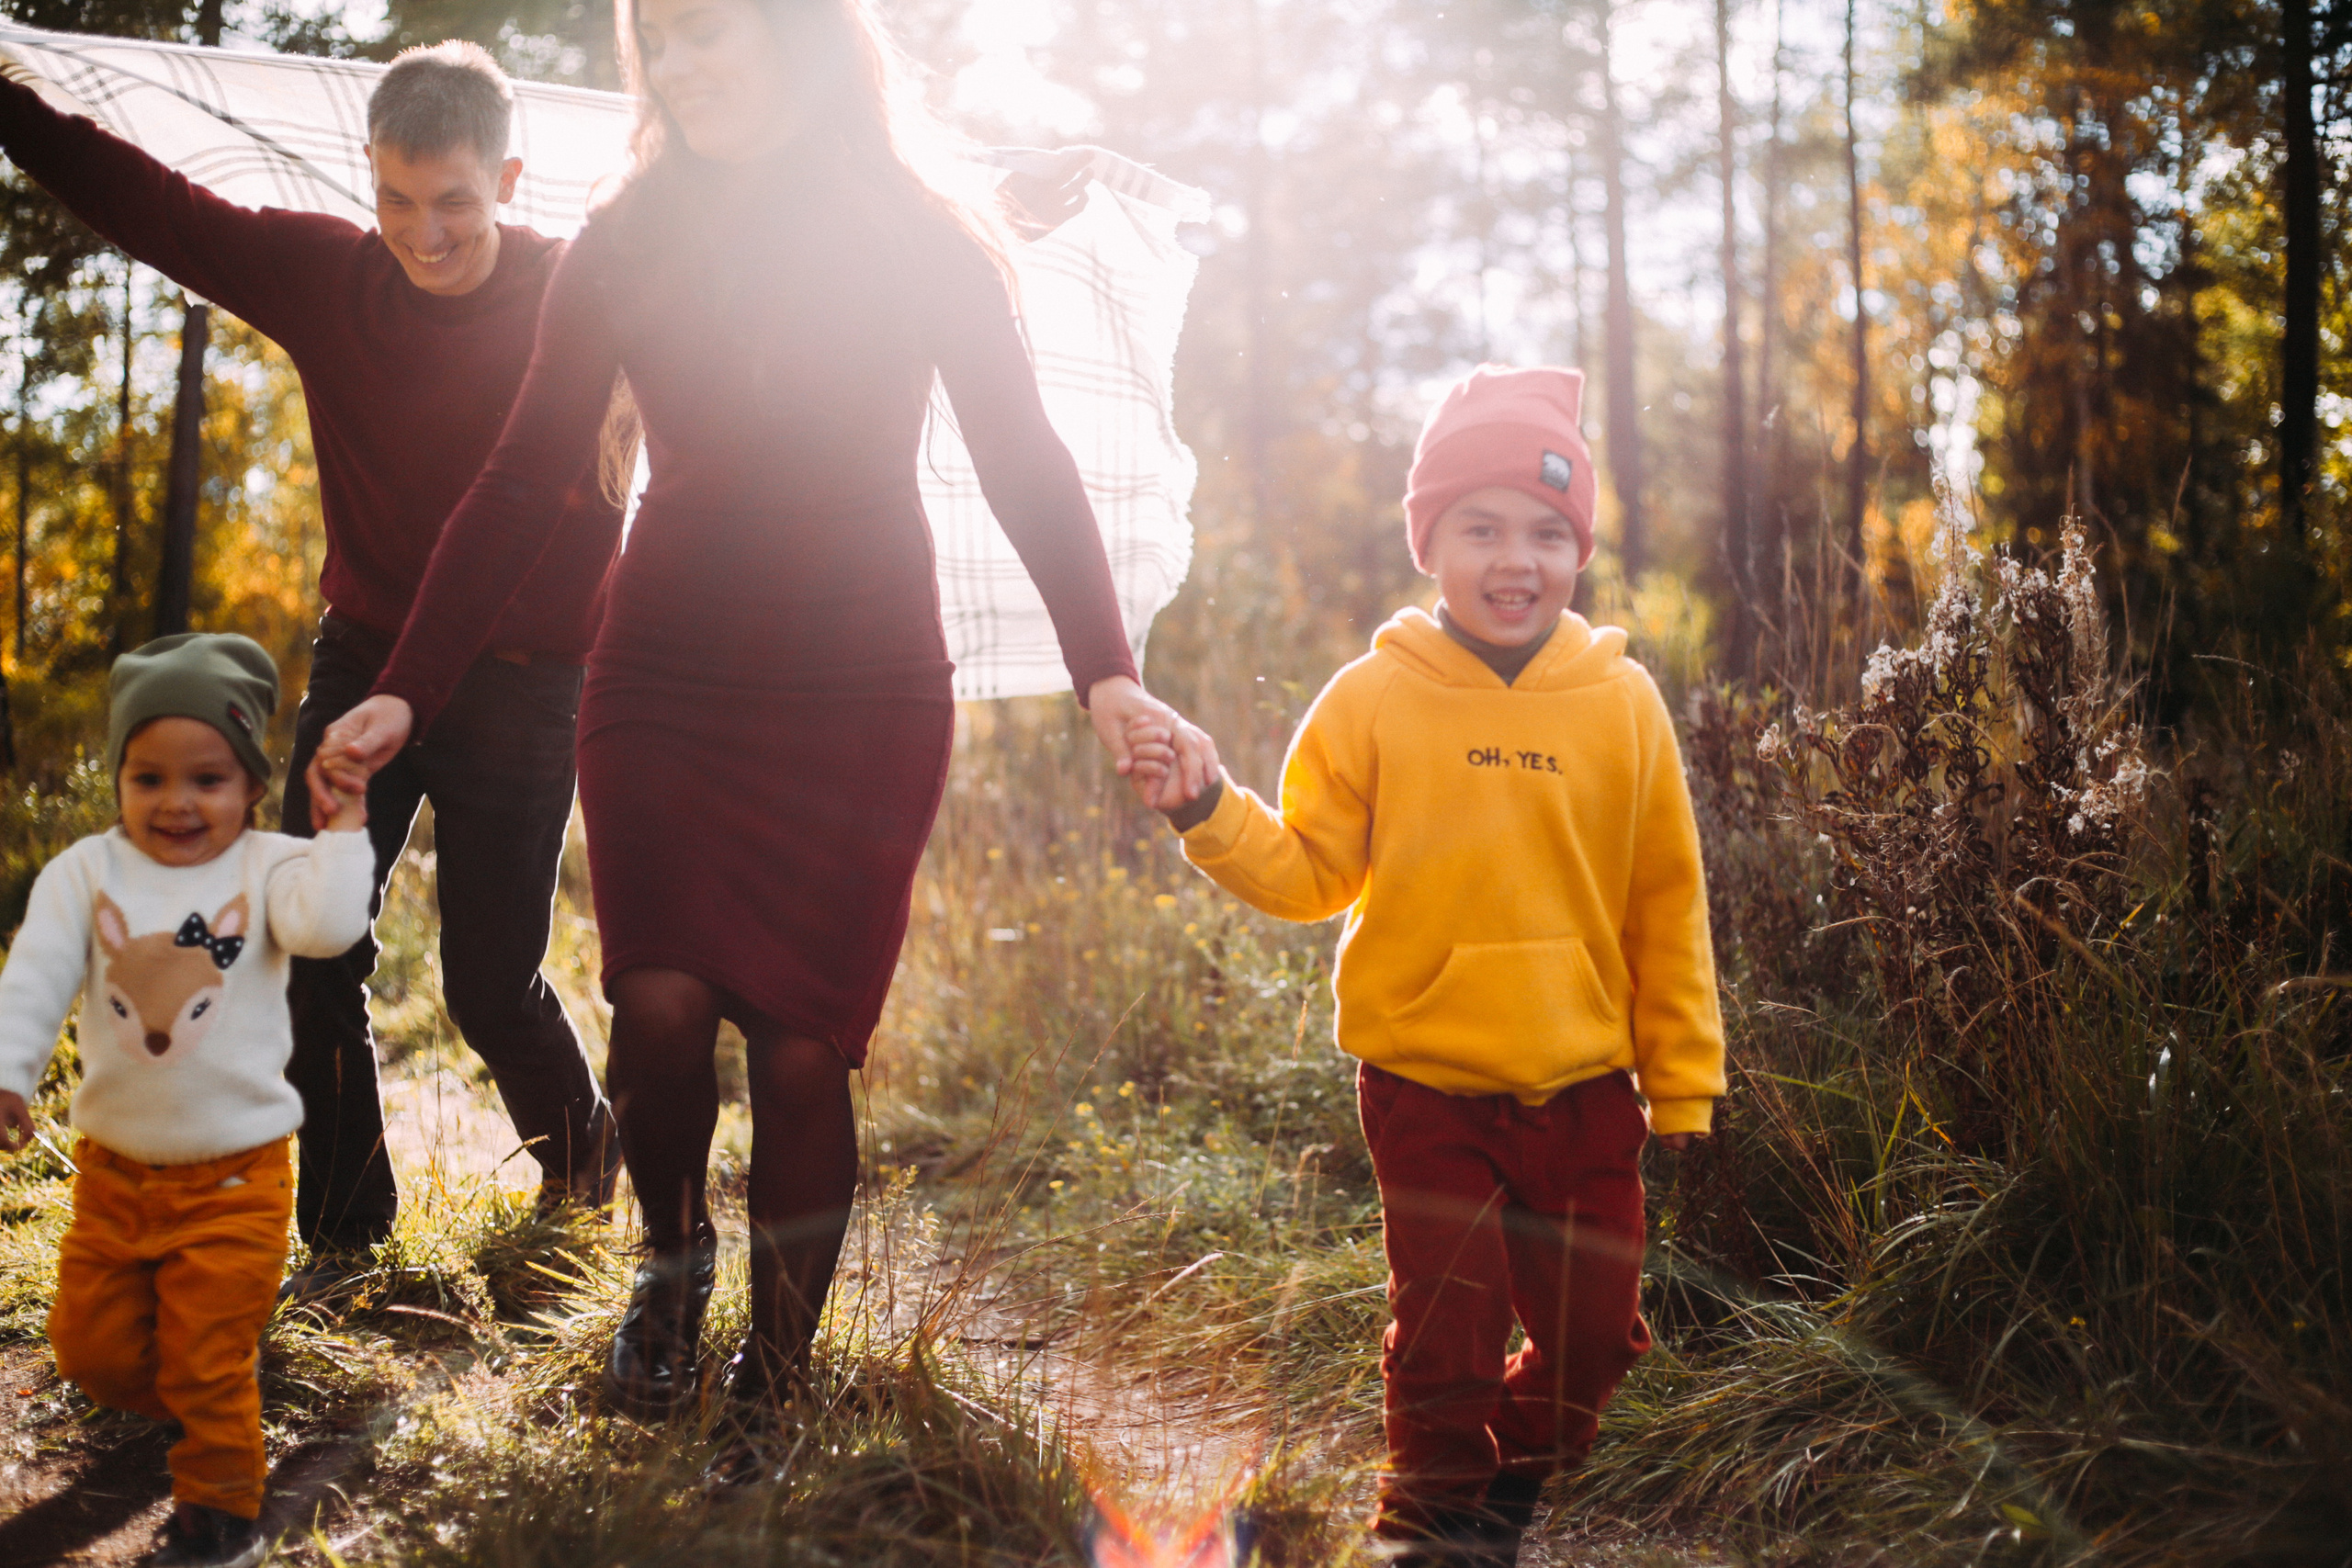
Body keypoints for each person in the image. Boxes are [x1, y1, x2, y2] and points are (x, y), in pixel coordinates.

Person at [315, 0, 1208, 1417]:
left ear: (798, 36)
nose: (678, 65)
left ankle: (772, 1383)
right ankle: (671, 1268)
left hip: (863, 684)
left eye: (706, 33)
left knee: (802, 1047)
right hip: (664, 667)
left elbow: (1024, 455)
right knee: (660, 1003)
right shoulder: (626, 240)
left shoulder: (918, 231)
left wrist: (1107, 667)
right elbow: (516, 483)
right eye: (656, 41)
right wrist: (403, 690)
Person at [0, 43, 626, 1289]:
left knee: (491, 983)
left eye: (452, 202)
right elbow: (151, 203)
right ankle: (347, 1240)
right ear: (370, 178)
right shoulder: (333, 279)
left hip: (527, 679)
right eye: (395, 199)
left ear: (507, 176)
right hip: (365, 661)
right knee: (306, 946)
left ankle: (582, 1172)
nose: (422, 233)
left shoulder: (584, 293)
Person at [1127, 367, 1727, 1567]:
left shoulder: (1623, 703)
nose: (1518, 558)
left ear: (1580, 548)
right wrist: (1204, 803)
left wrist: (1686, 1074)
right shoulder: (1375, 697)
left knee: (1595, 1339)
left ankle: (1487, 1489)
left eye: (1549, 532)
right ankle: (1429, 1523)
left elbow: (1666, 897)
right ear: (1430, 540)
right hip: (1424, 1079)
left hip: (1587, 1084)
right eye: (1483, 526)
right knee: (1444, 1329)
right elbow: (1307, 873)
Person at [0, 635, 375, 1568]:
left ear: (250, 784)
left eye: (207, 778)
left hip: (236, 1179)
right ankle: (203, 1398)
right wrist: (9, 1070)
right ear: (119, 777)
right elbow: (37, 976)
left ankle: (218, 1508)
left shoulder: (273, 867)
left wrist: (344, 829)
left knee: (207, 1354)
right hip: (112, 1176)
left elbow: (331, 928)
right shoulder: (86, 876)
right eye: (149, 776)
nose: (176, 801)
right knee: (91, 1352)